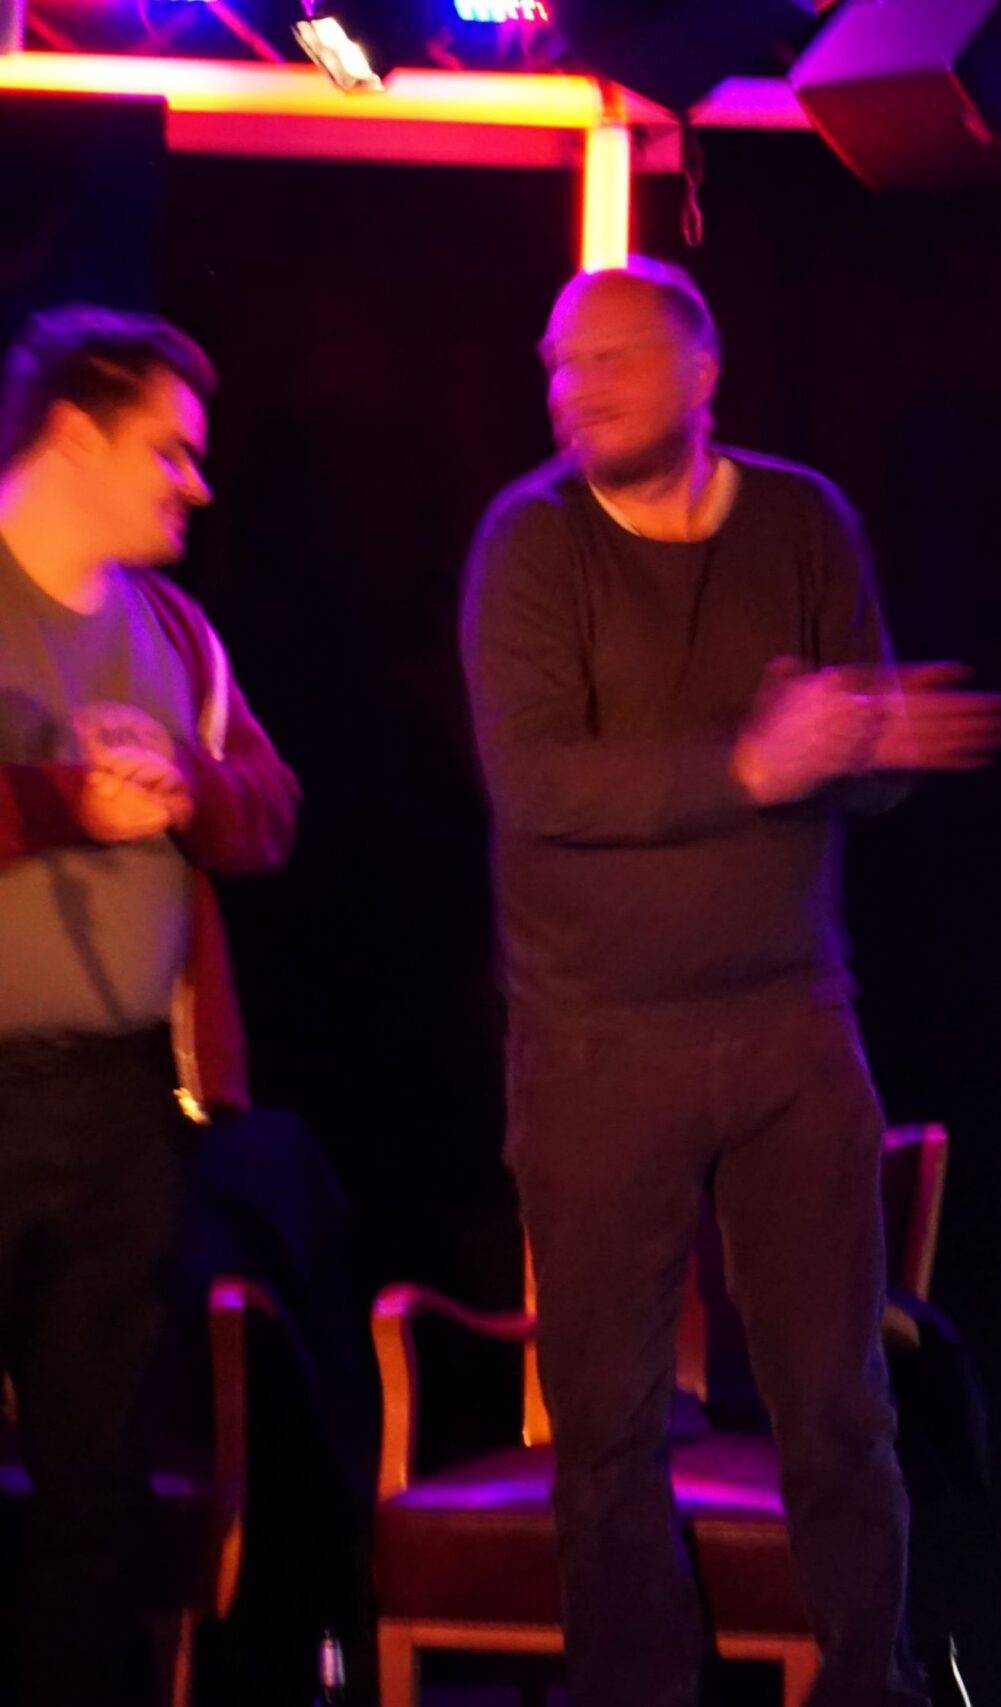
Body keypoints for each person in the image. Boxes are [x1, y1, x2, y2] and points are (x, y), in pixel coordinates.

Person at [459, 258, 1001, 1707]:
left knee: (839, 1401)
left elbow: (857, 764)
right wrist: (753, 763)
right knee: (607, 1427)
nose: (577, 390)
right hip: (597, 1043)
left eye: (611, 359)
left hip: (788, 1024)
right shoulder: (531, 542)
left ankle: (868, 1682)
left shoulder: (802, 518)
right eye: (560, 365)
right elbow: (539, 784)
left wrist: (876, 741)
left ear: (702, 372)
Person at [0, 304, 298, 1704]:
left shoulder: (172, 627)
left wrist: (193, 787)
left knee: (99, 1477)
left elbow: (271, 810)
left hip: (123, 1101)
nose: (199, 483)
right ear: (74, 435)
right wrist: (68, 800)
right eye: (170, 452)